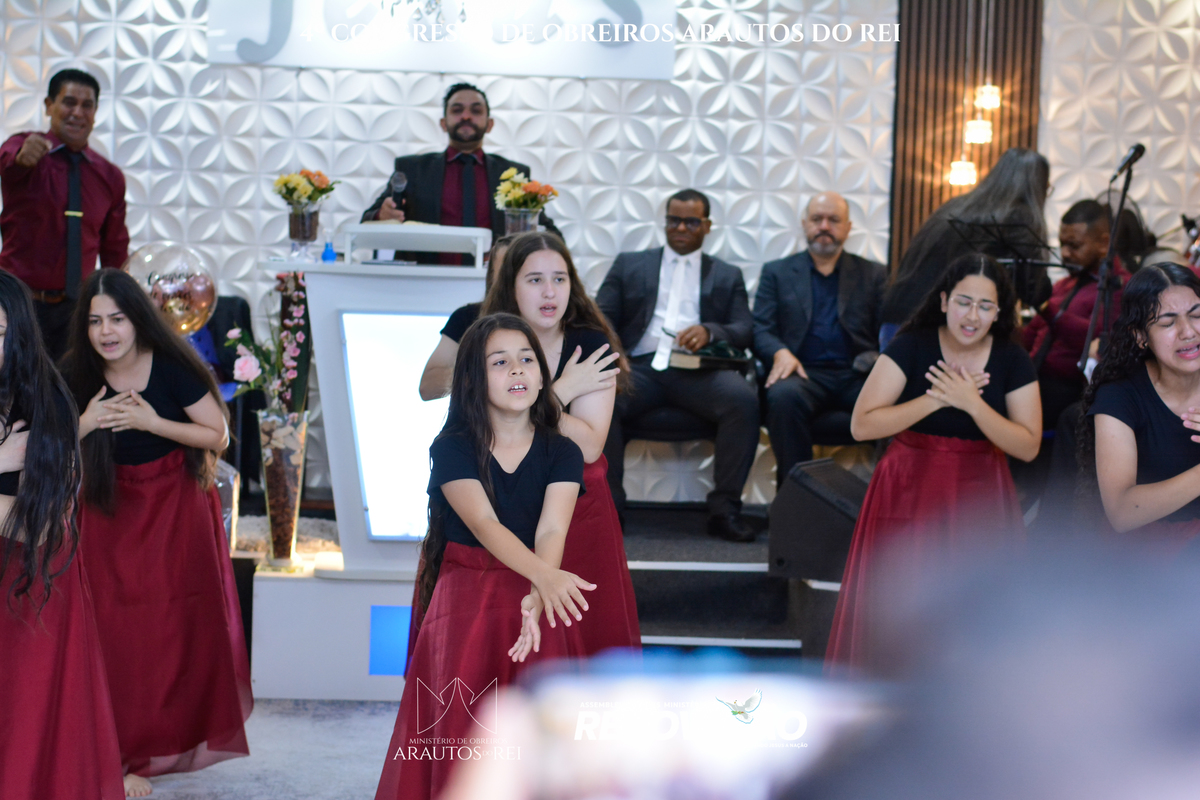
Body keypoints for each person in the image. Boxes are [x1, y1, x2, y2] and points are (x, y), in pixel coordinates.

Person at [374, 313, 592, 800]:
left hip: (533, 590)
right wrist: (546, 578)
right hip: (466, 595)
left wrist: (539, 591)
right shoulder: (452, 447)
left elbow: (552, 527)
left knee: (538, 734)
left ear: (542, 376)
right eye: (500, 362)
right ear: (473, 377)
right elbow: (484, 524)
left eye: (527, 359)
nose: (517, 370)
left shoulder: (563, 451)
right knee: (462, 730)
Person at [61, 269, 251, 796]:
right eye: (95, 321)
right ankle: (113, 751)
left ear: (138, 319)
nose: (106, 331)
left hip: (172, 510)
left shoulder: (170, 367)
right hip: (105, 509)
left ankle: (143, 752)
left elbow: (217, 435)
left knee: (166, 632)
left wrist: (151, 423)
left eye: (117, 318)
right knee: (110, 631)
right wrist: (88, 421)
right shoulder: (75, 372)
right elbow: (45, 447)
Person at [827, 254, 1042, 670]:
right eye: (964, 302)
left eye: (985, 306)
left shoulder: (1013, 359)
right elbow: (862, 424)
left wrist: (972, 403)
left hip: (981, 497)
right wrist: (936, 399)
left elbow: (1028, 445)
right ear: (944, 301)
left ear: (1000, 312)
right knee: (899, 611)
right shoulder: (911, 345)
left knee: (973, 614)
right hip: (907, 488)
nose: (973, 316)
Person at [481, 231, 639, 654]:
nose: (550, 292)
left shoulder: (591, 344)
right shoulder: (488, 340)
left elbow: (588, 447)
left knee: (580, 634)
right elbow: (484, 426)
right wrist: (561, 391)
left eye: (560, 278)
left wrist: (524, 404)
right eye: (535, 280)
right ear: (511, 286)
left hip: (573, 499)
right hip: (504, 489)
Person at [0, 270, 125, 800]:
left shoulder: (46, 403)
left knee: (25, 732)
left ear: (19, 334)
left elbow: (43, 526)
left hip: (27, 586)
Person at [597, 189, 760, 542]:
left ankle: (725, 511)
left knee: (743, 400)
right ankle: (608, 511)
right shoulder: (629, 264)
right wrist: (616, 353)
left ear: (707, 226)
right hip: (639, 367)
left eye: (691, 222)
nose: (681, 228)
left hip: (698, 371)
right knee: (600, 396)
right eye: (674, 220)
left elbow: (745, 329)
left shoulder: (727, 274)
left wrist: (710, 331)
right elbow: (601, 317)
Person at [753, 191, 886, 484]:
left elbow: (889, 331)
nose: (824, 226)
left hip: (857, 374)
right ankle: (796, 498)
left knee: (895, 399)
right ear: (804, 224)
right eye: (817, 219)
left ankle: (888, 499)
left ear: (848, 228)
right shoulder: (777, 272)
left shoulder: (874, 274)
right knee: (782, 397)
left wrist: (879, 361)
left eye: (833, 220)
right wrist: (780, 352)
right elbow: (761, 328)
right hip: (802, 373)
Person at [0, 68, 129, 360]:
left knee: (68, 385)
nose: (78, 113)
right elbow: (8, 161)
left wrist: (121, 306)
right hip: (14, 304)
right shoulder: (25, 148)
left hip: (76, 312)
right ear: (49, 105)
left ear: (95, 112)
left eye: (87, 105)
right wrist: (23, 157)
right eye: (69, 102)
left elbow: (114, 250)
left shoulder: (109, 177)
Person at [361, 83, 560, 264]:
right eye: (457, 110)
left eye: (476, 110)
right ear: (443, 123)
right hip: (422, 280)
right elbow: (366, 221)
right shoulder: (412, 169)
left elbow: (550, 234)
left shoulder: (513, 175)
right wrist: (382, 215)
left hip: (493, 284)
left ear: (490, 124)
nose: (466, 116)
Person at [1081, 264, 1200, 545]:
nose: (1188, 332)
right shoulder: (1120, 396)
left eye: (1197, 315)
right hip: (1153, 553)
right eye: (1168, 323)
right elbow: (1122, 513)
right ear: (1141, 336)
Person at [880, 147, 1050, 343]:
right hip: (934, 325)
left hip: (896, 315)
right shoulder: (1019, 218)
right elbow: (1033, 290)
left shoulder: (957, 206)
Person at [1023, 200, 1130, 433]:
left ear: (1104, 243)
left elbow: (1096, 336)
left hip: (1071, 392)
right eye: (1062, 244)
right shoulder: (1065, 284)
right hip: (1035, 381)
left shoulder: (1119, 288)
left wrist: (1047, 307)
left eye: (1074, 245)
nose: (1064, 253)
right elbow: (1029, 336)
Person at [419, 234, 515, 401]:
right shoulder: (467, 317)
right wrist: (482, 373)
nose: (512, 281)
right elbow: (428, 386)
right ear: (492, 276)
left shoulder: (549, 321)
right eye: (505, 273)